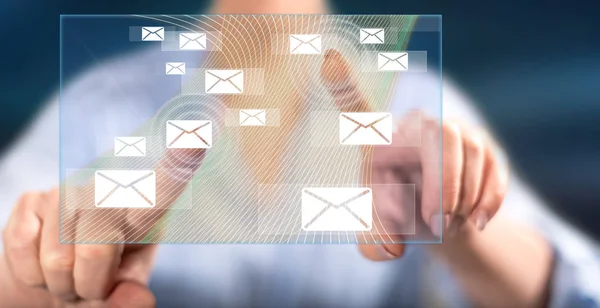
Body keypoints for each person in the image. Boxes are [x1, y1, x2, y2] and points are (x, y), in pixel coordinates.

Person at [1, 0, 600, 307]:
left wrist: (459, 226)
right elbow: (15, 237)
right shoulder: (98, 105)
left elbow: (580, 290)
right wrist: (37, 269)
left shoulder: (417, 103)